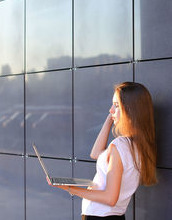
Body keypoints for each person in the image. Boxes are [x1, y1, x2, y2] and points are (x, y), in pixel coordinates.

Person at [48, 82, 157, 220]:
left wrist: (69, 188)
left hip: (100, 217)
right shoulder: (138, 145)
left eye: (116, 105)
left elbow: (110, 198)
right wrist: (111, 117)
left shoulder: (120, 145)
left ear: (130, 110)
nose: (111, 110)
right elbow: (95, 154)